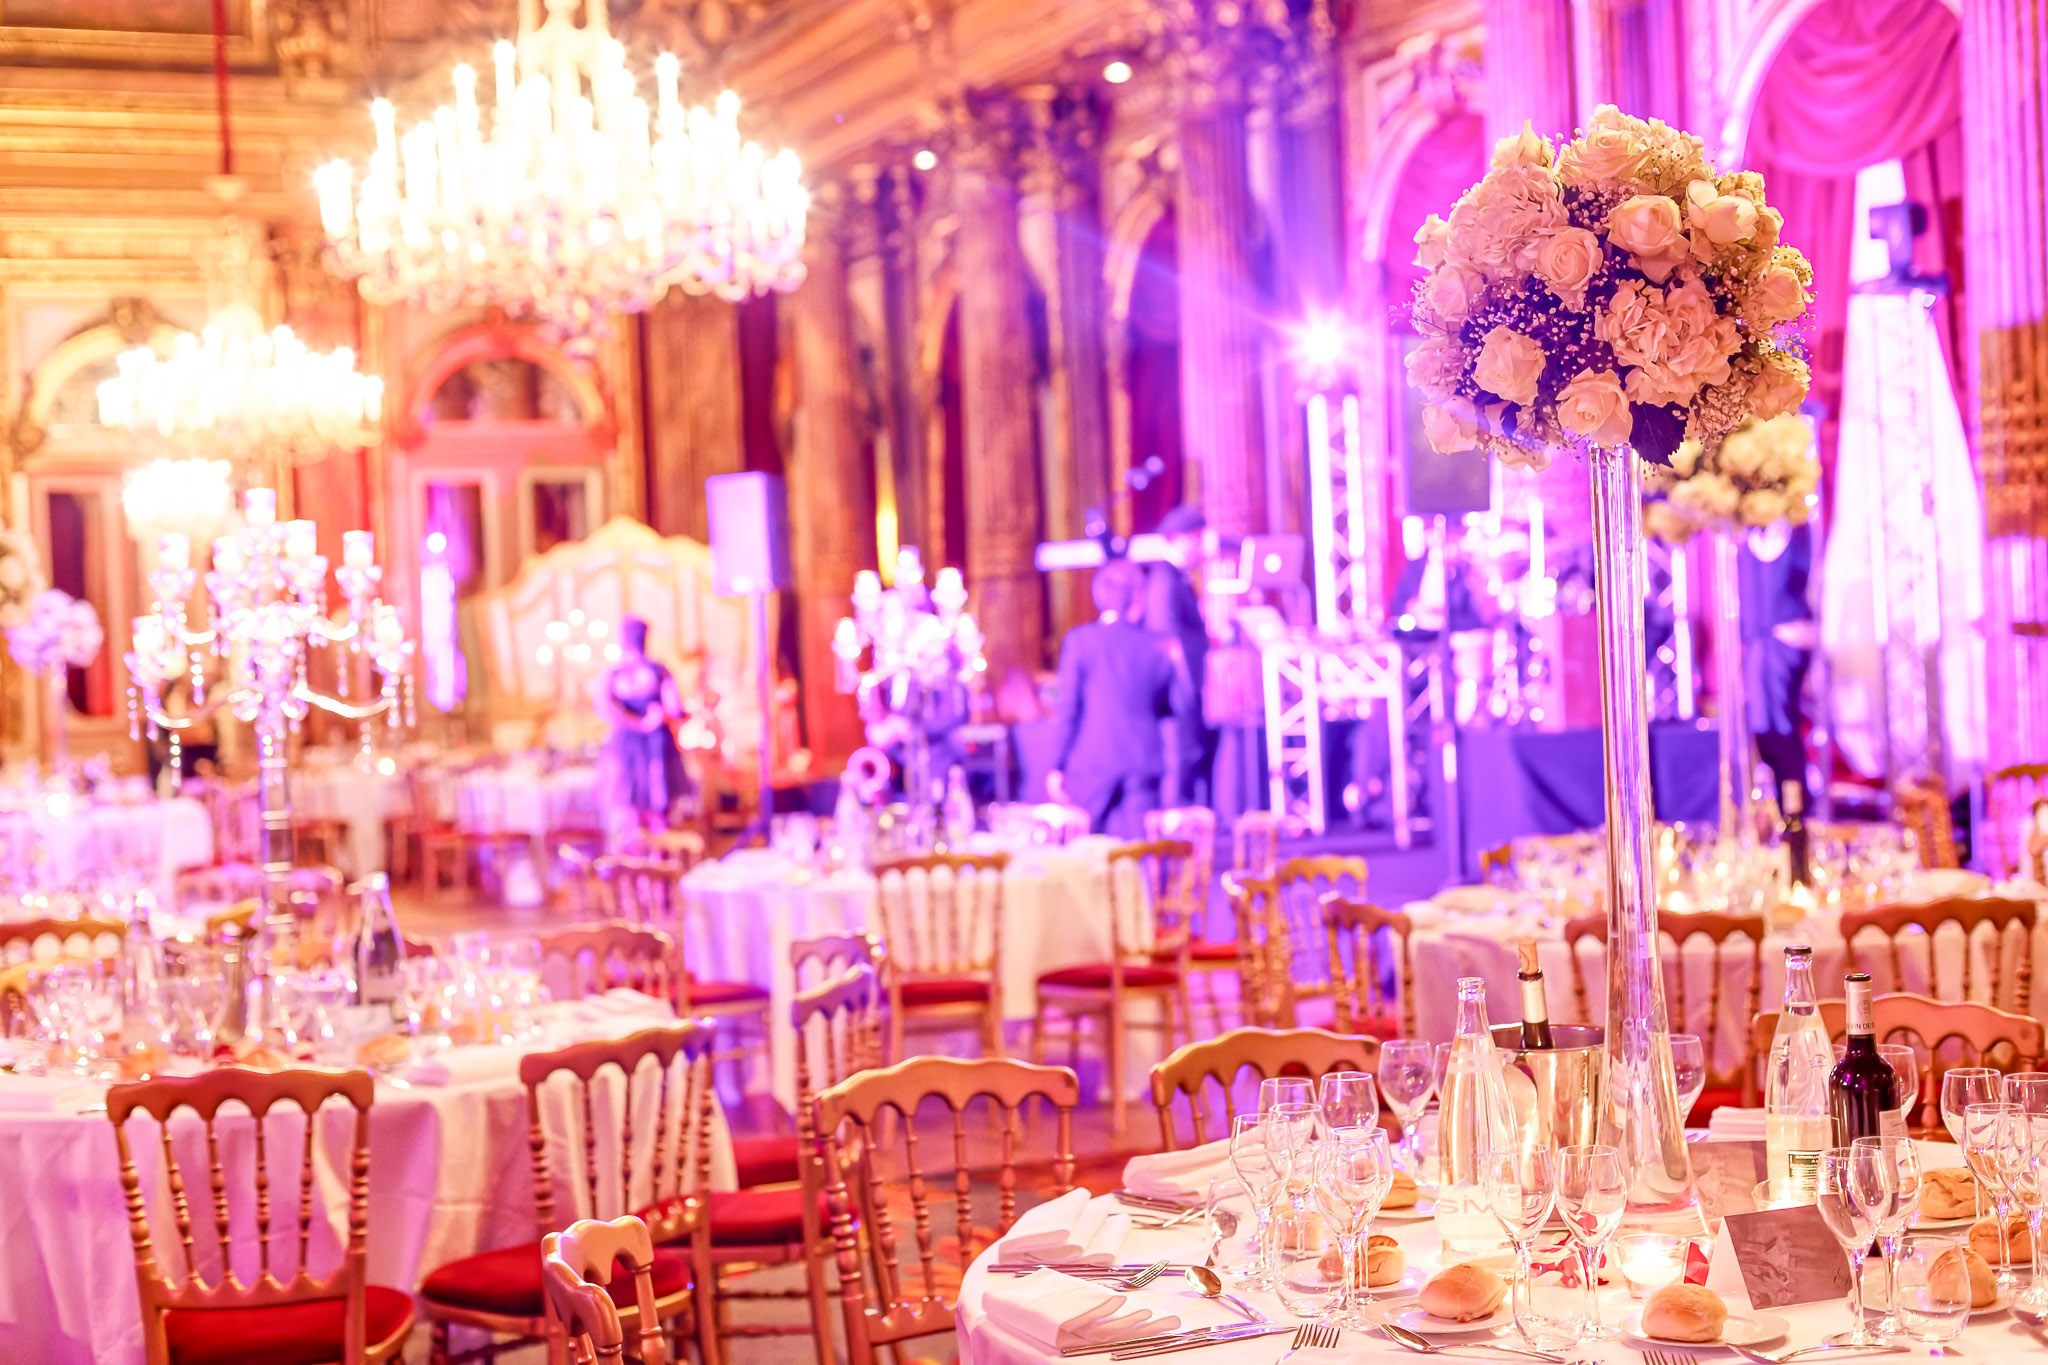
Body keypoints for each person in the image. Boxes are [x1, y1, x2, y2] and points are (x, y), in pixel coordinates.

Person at [1047, 559, 1196, 838]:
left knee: (1088, 852)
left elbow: (1068, 709)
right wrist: (1179, 662)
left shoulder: (1080, 642)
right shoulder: (1158, 646)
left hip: (1093, 762)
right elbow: (1181, 706)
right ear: (1138, 598)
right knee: (1139, 854)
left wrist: (1057, 764)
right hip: (1143, 760)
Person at [1740, 521, 1816, 805]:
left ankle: (1795, 805)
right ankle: (1771, 806)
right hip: (1758, 648)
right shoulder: (1743, 536)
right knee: (1762, 728)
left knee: (1784, 725)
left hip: (1787, 648)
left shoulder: (1800, 535)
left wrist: (1811, 627)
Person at [596, 617, 691, 839]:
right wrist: (651, 720)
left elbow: (606, 709)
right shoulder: (657, 671)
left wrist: (634, 722)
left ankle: (638, 868)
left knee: (632, 814)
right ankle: (658, 866)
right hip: (653, 744)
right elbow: (674, 708)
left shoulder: (613, 674)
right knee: (658, 814)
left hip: (627, 744)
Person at [1145, 505, 1213, 804]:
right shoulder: (1165, 580)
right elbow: (1167, 640)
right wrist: (1184, 689)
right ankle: (1176, 835)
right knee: (1179, 759)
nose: (1201, 548)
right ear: (1180, 539)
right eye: (1197, 539)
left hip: (1187, 686)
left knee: (1189, 756)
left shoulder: (1177, 578)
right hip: (1177, 691)